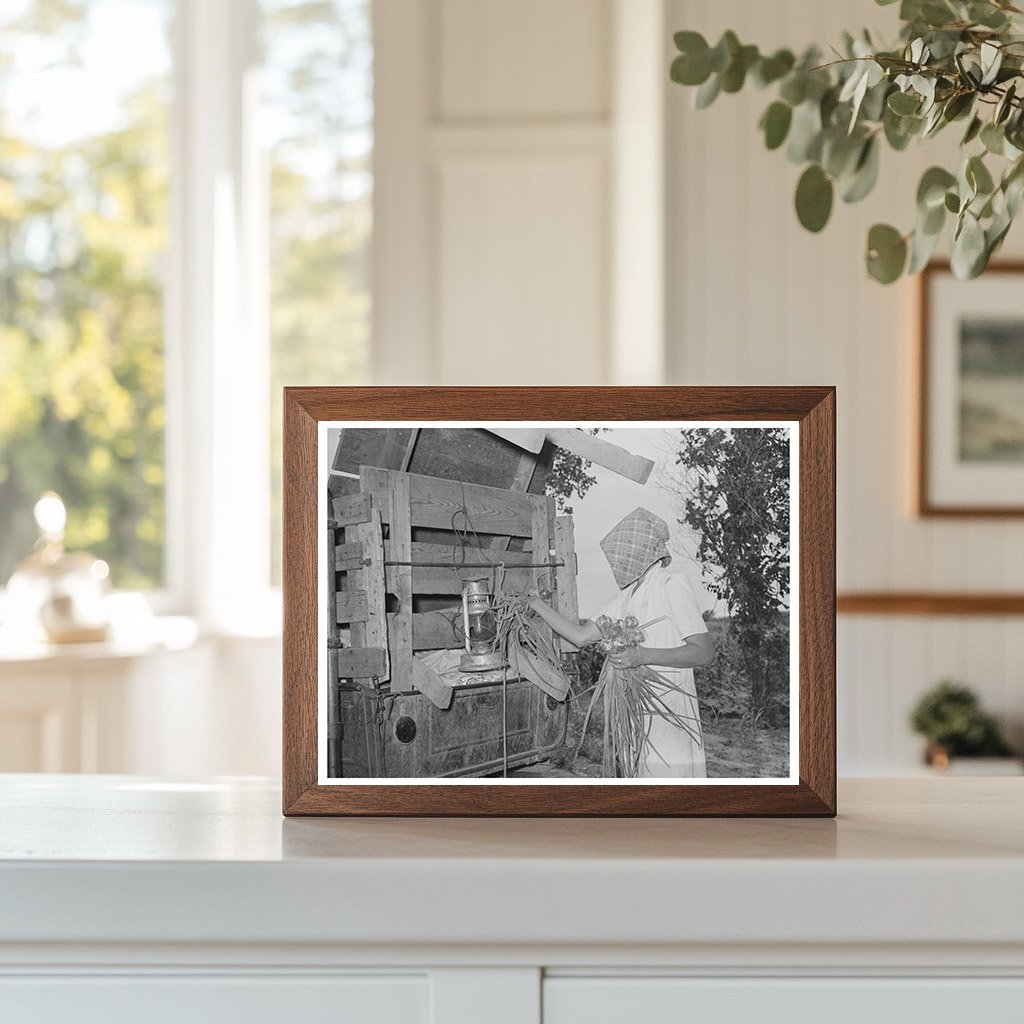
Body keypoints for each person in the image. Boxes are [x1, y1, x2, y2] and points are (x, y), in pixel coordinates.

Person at [530, 507, 712, 777]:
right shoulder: (626, 597)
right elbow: (580, 636)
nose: (618, 562)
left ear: (639, 549)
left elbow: (704, 652)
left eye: (621, 554)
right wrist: (537, 605)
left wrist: (643, 656)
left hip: (669, 713)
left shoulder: (670, 585)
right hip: (637, 717)